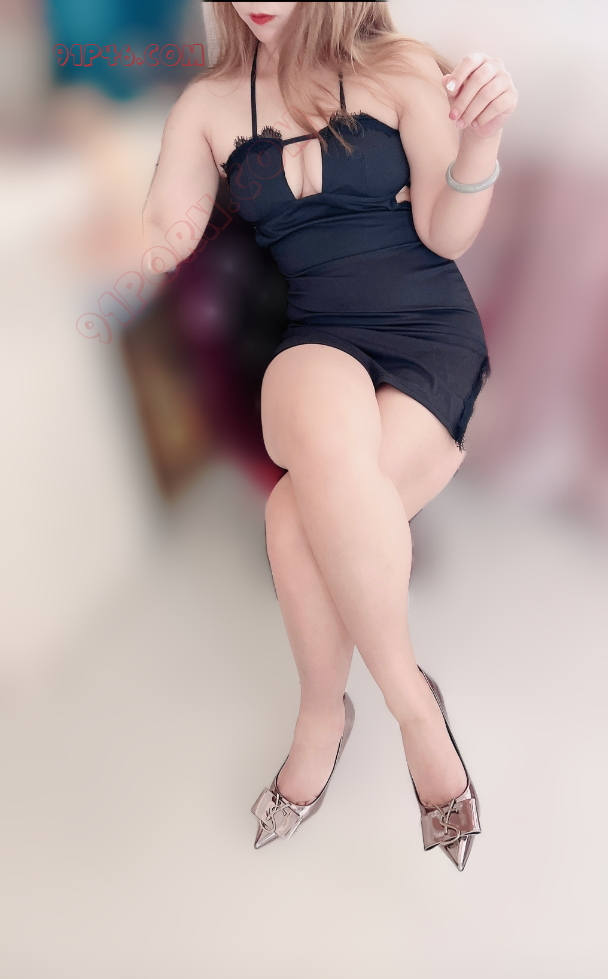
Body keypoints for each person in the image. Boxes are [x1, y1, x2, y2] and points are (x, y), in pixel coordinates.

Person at [143, 1, 517, 871]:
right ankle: (414, 703)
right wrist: (152, 222)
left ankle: (325, 715)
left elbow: (445, 232)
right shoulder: (209, 104)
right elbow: (164, 238)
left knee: (292, 520)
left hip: (428, 333)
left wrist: (483, 142)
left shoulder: (400, 68)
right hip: (317, 339)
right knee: (318, 434)